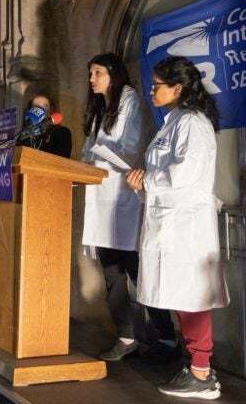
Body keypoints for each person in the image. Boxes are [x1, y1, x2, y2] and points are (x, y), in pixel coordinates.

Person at [127, 57, 229, 399]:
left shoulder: (193, 123)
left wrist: (148, 180)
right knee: (182, 295)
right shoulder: (172, 123)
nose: (152, 90)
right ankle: (197, 368)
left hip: (186, 224)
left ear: (178, 88)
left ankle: (202, 374)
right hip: (170, 222)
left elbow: (185, 173)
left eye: (157, 85)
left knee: (192, 295)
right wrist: (144, 182)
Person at [80, 53, 175, 362]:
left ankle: (167, 337)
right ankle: (126, 335)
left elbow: (133, 148)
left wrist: (99, 155)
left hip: (126, 200)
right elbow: (86, 150)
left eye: (97, 72)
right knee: (111, 274)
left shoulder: (131, 102)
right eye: (90, 73)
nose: (92, 78)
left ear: (113, 74)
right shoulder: (98, 110)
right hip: (100, 202)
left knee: (139, 272)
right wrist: (85, 164)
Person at [18, 92, 73, 158]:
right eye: (36, 106)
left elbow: (62, 160)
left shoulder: (61, 132)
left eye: (45, 105)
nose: (41, 109)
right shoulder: (25, 134)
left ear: (51, 110)